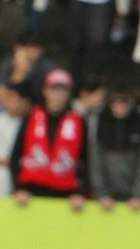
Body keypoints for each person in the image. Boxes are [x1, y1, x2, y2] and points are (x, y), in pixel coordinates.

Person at [11, 69, 87, 203]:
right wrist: (19, 188)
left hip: (66, 194)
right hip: (31, 193)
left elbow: (86, 160)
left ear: (69, 94)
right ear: (45, 91)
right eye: (54, 90)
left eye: (62, 91)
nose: (58, 95)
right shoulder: (31, 117)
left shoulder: (78, 121)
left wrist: (81, 192)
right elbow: (15, 155)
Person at [87, 85, 140, 208]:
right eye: (115, 100)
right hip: (105, 198)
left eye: (124, 101)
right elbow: (95, 160)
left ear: (131, 102)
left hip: (134, 198)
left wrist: (137, 195)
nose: (119, 105)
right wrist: (102, 194)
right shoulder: (100, 119)